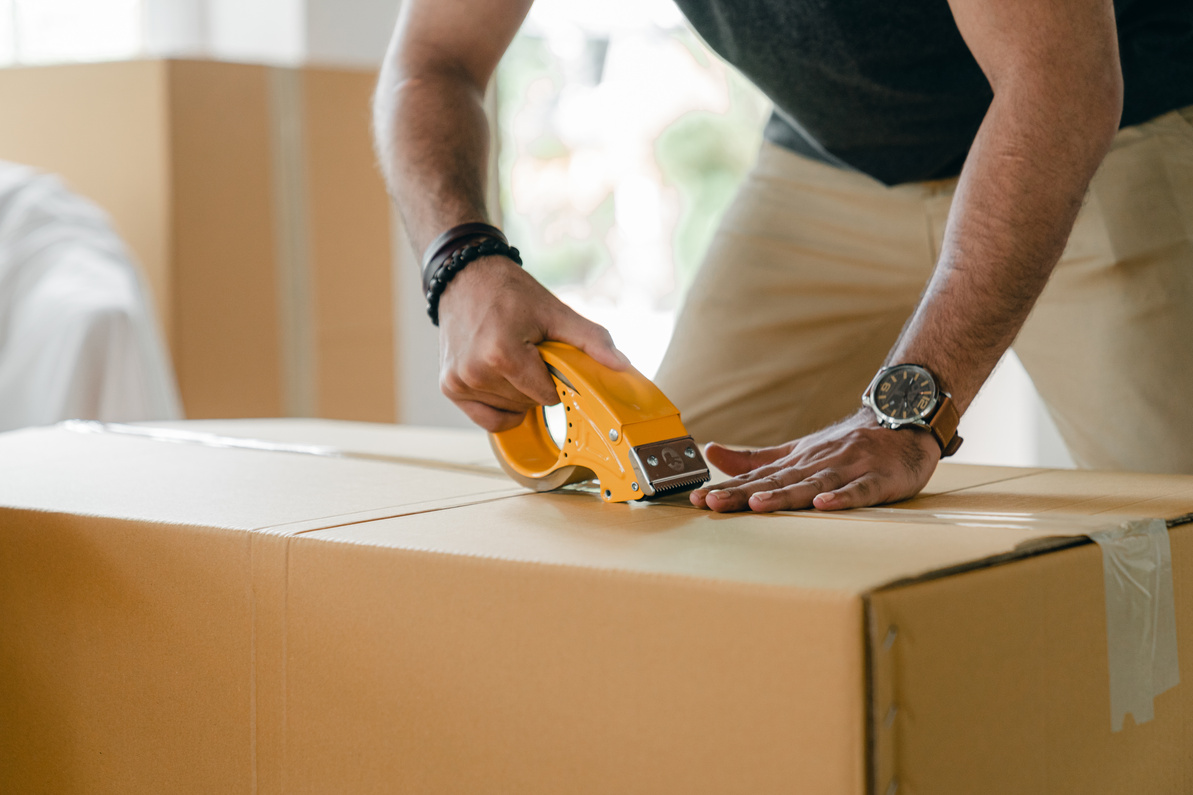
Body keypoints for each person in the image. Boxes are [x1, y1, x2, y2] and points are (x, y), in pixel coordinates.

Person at [373, 0, 1193, 513]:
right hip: (827, 161)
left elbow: (1059, 86)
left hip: (1104, 140)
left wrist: (908, 415)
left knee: (1174, 514)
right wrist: (461, 261)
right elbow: (431, 61)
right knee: (672, 494)